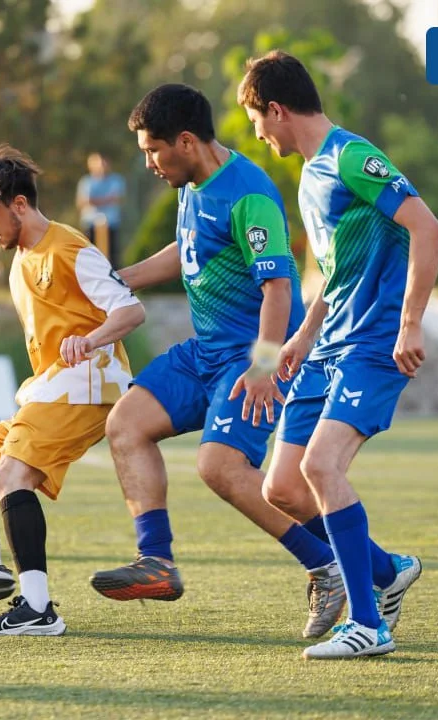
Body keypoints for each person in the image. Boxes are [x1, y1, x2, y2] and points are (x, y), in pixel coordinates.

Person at [87, 83, 355, 641]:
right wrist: (122, 277)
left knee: (219, 468)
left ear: (186, 141)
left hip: (253, 353)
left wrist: (262, 368)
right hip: (204, 352)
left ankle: (327, 567)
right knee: (125, 425)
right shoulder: (192, 182)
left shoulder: (248, 194)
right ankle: (156, 561)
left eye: (153, 150)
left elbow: (280, 290)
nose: (150, 163)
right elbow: (187, 251)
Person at [238, 50, 438, 659]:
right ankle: (388, 570)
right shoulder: (308, 175)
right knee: (281, 487)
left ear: (276, 109)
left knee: (322, 468)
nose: (256, 133)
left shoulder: (352, 157)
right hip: (327, 344)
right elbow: (336, 270)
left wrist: (410, 323)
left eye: (255, 119)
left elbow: (427, 228)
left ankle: (368, 625)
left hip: (374, 341)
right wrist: (301, 336)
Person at [0, 141, 145, 636]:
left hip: (89, 389)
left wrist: (90, 339)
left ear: (19, 205)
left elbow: (131, 310)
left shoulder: (71, 249)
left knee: (12, 474)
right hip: (48, 391)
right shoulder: (20, 260)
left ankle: (37, 609)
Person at [76, 152, 126, 262]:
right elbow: (83, 201)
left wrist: (94, 201)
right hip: (90, 224)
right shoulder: (86, 181)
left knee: (112, 257)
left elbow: (117, 198)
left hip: (111, 223)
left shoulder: (116, 180)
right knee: (90, 256)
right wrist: (106, 199)